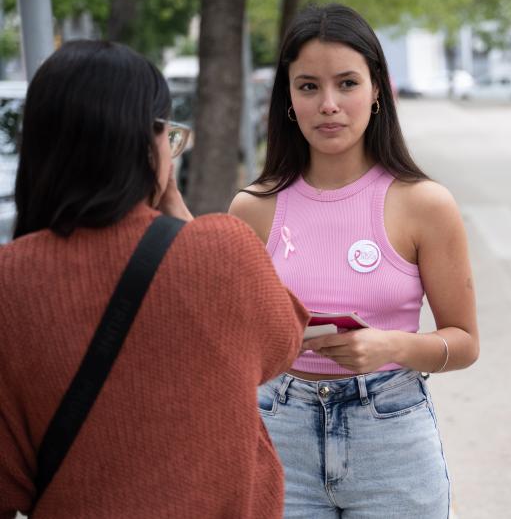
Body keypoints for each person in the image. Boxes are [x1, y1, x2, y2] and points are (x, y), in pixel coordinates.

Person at [0, 40, 307, 517]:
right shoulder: (221, 251)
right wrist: (181, 217)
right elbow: (284, 341)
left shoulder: (8, 283)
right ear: (149, 142)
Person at [229, 4, 479, 518]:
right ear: (288, 99)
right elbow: (237, 345)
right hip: (280, 429)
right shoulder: (252, 208)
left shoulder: (424, 203)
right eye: (307, 86)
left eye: (346, 83)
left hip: (391, 436)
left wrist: (391, 346)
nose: (328, 104)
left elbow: (465, 341)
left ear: (377, 90)